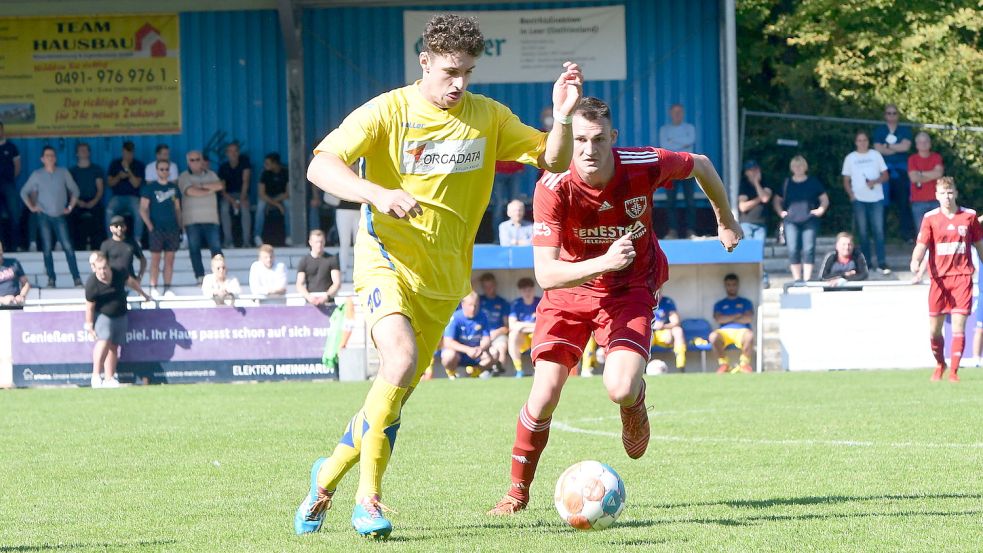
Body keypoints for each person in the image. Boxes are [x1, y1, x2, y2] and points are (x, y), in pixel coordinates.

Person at [295, 13, 582, 539]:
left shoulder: (488, 117)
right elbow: (321, 165)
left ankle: (326, 476)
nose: (459, 84)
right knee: (399, 362)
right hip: (386, 259)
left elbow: (554, 159)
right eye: (450, 71)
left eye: (468, 73)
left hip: (445, 280)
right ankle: (369, 499)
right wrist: (377, 193)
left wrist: (561, 116)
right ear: (424, 61)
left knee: (395, 392)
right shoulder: (388, 110)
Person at [486, 96, 741, 516]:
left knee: (619, 387)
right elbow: (546, 275)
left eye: (598, 138)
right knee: (544, 395)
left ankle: (634, 404)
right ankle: (516, 494)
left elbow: (701, 163)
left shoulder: (642, 163)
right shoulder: (552, 186)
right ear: (567, 138)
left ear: (613, 138)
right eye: (580, 139)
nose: (588, 149)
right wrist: (603, 260)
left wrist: (725, 218)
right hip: (568, 293)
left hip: (629, 289)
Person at [909, 177, 983, 382]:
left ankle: (954, 372)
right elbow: (922, 245)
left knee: (959, 325)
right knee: (934, 330)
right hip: (939, 280)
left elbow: (979, 244)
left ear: (956, 193)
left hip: (962, 278)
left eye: (950, 192)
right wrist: (915, 261)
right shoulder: (930, 218)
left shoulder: (969, 216)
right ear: (936, 196)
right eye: (943, 193)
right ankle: (940, 363)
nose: (947, 197)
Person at [85, 250, 150, 388]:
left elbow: (131, 282)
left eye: (105, 268)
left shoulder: (119, 272)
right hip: (103, 315)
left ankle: (109, 378)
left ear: (109, 266)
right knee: (104, 340)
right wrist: (89, 325)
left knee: (114, 346)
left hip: (121, 314)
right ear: (94, 269)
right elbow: (89, 307)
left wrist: (143, 294)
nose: (103, 272)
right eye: (99, 269)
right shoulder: (91, 283)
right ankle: (96, 376)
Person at [20, 146, 82, 288]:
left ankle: (77, 278)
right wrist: (32, 207)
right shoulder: (37, 174)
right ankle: (51, 279)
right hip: (44, 217)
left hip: (60, 215)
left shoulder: (63, 172)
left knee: (68, 247)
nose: (50, 158)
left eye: (53, 155)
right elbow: (24, 192)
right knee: (47, 248)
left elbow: (75, 190)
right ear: (42, 159)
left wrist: (70, 207)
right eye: (47, 155)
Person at [773, 155, 829, 282]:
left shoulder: (813, 182)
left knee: (809, 249)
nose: (797, 168)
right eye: (795, 166)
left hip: (809, 220)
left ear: (805, 167)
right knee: (793, 249)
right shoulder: (787, 182)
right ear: (791, 168)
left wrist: (821, 210)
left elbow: (824, 199)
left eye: (800, 165)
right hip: (791, 221)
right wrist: (780, 212)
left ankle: (807, 279)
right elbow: (777, 199)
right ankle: (797, 279)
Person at [842, 131, 890, 274]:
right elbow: (846, 180)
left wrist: (875, 181)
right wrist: (851, 194)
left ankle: (881, 263)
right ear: (856, 142)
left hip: (876, 199)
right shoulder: (850, 158)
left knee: (879, 232)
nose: (862, 142)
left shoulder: (875, 155)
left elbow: (886, 175)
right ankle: (866, 263)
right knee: (863, 233)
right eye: (859, 140)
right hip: (859, 200)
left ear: (868, 141)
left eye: (864, 140)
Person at [179, 150, 224, 285]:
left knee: (216, 249)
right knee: (194, 250)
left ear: (202, 160)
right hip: (192, 220)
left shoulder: (211, 174)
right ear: (188, 162)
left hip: (211, 219)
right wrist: (209, 190)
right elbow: (190, 191)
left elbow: (220, 185)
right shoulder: (184, 176)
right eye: (191, 160)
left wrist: (201, 186)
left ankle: (219, 276)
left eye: (197, 159)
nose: (195, 162)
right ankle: (200, 277)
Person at [873, 104, 915, 242]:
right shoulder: (880, 130)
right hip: (884, 172)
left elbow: (906, 146)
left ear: (898, 115)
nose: (891, 116)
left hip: (901, 171)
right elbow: (878, 148)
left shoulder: (904, 129)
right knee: (882, 203)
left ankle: (907, 235)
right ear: (885, 115)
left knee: (904, 202)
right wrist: (896, 148)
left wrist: (887, 146)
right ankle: (881, 235)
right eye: (889, 113)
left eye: (894, 113)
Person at [140, 159, 182, 296]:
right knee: (155, 260)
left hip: (172, 228)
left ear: (169, 171)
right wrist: (150, 226)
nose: (164, 171)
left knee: (170, 260)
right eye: (161, 169)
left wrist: (180, 226)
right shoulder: (149, 188)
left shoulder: (174, 188)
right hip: (156, 229)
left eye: (166, 169)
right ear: (157, 171)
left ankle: (167, 287)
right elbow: (142, 209)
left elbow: (177, 209)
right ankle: (154, 287)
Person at [659, 103, 697, 238]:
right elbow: (665, 145)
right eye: (675, 112)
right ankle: (672, 231)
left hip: (688, 168)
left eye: (680, 112)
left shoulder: (690, 128)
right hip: (671, 170)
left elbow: (691, 140)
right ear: (670, 114)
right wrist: (683, 143)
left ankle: (690, 231)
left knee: (690, 201)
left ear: (683, 113)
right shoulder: (664, 129)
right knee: (671, 202)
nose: (677, 115)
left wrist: (673, 141)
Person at [440, 290, 495, 378]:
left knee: (494, 353)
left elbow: (487, 338)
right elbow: (448, 342)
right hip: (459, 354)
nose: (473, 308)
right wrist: (468, 350)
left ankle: (474, 374)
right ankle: (452, 374)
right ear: (463, 304)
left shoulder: (483, 316)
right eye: (470, 305)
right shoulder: (455, 318)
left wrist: (480, 348)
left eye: (475, 305)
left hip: (476, 352)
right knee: (448, 356)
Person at [709, 273, 755, 374]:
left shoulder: (745, 302)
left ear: (737, 285)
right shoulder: (720, 304)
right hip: (724, 331)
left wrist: (728, 318)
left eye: (734, 284)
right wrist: (737, 316)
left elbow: (748, 319)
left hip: (742, 331)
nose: (731, 287)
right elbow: (719, 319)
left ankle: (744, 364)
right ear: (725, 286)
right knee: (713, 336)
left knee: (750, 335)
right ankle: (724, 364)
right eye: (729, 285)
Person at [737, 159, 772, 287]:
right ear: (746, 172)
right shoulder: (744, 185)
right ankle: (750, 278)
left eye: (756, 170)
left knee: (759, 251)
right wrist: (758, 200)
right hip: (747, 222)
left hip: (761, 223)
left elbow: (766, 197)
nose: (754, 172)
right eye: (751, 170)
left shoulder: (765, 183)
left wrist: (757, 183)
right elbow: (743, 207)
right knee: (748, 251)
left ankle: (762, 278)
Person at [105, 141, 146, 242]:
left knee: (139, 212)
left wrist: (128, 171)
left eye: (130, 152)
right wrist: (119, 176)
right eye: (126, 152)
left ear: (133, 152)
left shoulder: (138, 165)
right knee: (109, 211)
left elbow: (136, 184)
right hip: (117, 197)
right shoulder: (115, 164)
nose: (128, 155)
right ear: (122, 152)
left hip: (133, 197)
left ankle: (137, 240)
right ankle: (112, 239)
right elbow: (110, 183)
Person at [68, 142, 105, 250]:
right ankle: (76, 247)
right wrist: (78, 202)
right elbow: (70, 190)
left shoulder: (96, 169)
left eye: (85, 150)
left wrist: (94, 201)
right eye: (81, 150)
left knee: (98, 217)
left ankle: (98, 247)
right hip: (77, 201)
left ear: (89, 152)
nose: (83, 152)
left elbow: (100, 188)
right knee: (71, 217)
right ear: (76, 154)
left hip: (94, 200)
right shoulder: (72, 171)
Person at [907, 132, 944, 230]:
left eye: (926, 141)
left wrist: (920, 173)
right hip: (918, 201)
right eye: (920, 142)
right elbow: (913, 178)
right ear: (916, 145)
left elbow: (939, 174)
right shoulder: (912, 159)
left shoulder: (936, 157)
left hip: (935, 199)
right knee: (922, 233)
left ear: (930, 143)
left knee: (938, 231)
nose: (923, 144)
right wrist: (932, 174)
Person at [218, 142, 252, 248]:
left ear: (238, 152)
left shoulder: (244, 163)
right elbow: (222, 190)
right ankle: (228, 241)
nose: (233, 153)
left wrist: (242, 199)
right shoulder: (223, 167)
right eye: (230, 151)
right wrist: (233, 202)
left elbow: (245, 181)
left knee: (245, 208)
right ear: (227, 153)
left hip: (242, 193)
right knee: (224, 208)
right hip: (228, 196)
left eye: (235, 151)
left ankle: (246, 242)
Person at [254, 153, 291, 246]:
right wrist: (276, 204)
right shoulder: (264, 173)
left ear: (275, 164)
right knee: (260, 206)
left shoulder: (285, 172)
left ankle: (290, 236)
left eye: (268, 163)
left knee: (288, 205)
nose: (265, 165)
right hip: (268, 198)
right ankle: (257, 236)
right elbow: (261, 194)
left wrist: (277, 202)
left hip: (281, 197)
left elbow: (288, 193)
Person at [295, 229, 340, 305]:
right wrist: (309, 297)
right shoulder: (304, 261)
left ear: (324, 242)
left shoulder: (332, 259)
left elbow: (337, 283)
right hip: (310, 301)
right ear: (310, 242)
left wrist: (326, 296)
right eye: (316, 242)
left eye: (321, 242)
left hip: (328, 301)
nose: (319, 244)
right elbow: (299, 284)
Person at [477, 272, 510, 374]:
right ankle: (479, 372)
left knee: (501, 347)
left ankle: (498, 372)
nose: (488, 289)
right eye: (485, 286)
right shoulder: (478, 301)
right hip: (480, 335)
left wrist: (495, 333)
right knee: (485, 352)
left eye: (490, 286)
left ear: (495, 285)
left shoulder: (502, 302)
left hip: (498, 334)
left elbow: (506, 327)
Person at [507, 277, 540, 378]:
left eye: (529, 290)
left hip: (536, 337)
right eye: (524, 290)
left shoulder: (540, 302)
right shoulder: (516, 304)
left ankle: (538, 371)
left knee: (539, 334)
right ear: (520, 291)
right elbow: (512, 326)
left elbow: (542, 325)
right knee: (513, 335)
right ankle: (519, 370)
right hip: (523, 339)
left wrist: (521, 325)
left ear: (533, 289)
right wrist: (532, 326)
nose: (527, 293)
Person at [99, 215, 146, 285]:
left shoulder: (132, 243)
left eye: (122, 225)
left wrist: (140, 277)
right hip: (113, 283)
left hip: (131, 283)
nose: (119, 228)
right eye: (116, 226)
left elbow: (143, 259)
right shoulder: (106, 245)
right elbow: (100, 263)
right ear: (111, 228)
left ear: (125, 227)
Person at [0, 122, 23, 250]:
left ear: (3, 131)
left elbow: (18, 166)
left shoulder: (11, 147)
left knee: (14, 215)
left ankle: (16, 245)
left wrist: (10, 180)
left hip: (9, 184)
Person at [651, 295, 686, 372]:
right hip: (648, 334)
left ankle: (681, 367)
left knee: (678, 331)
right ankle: (641, 369)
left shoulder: (667, 301)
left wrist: (664, 326)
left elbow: (676, 322)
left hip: (663, 333)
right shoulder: (644, 299)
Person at [491, 161, 526, 233]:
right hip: (499, 170)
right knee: (499, 205)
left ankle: (514, 236)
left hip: (514, 170)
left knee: (515, 205)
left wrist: (520, 167)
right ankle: (499, 238)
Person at [0, 240, 30, 306]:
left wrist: (21, 296)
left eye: (0, 251)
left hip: (16, 303)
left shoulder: (13, 262)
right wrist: (2, 300)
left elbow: (26, 283)